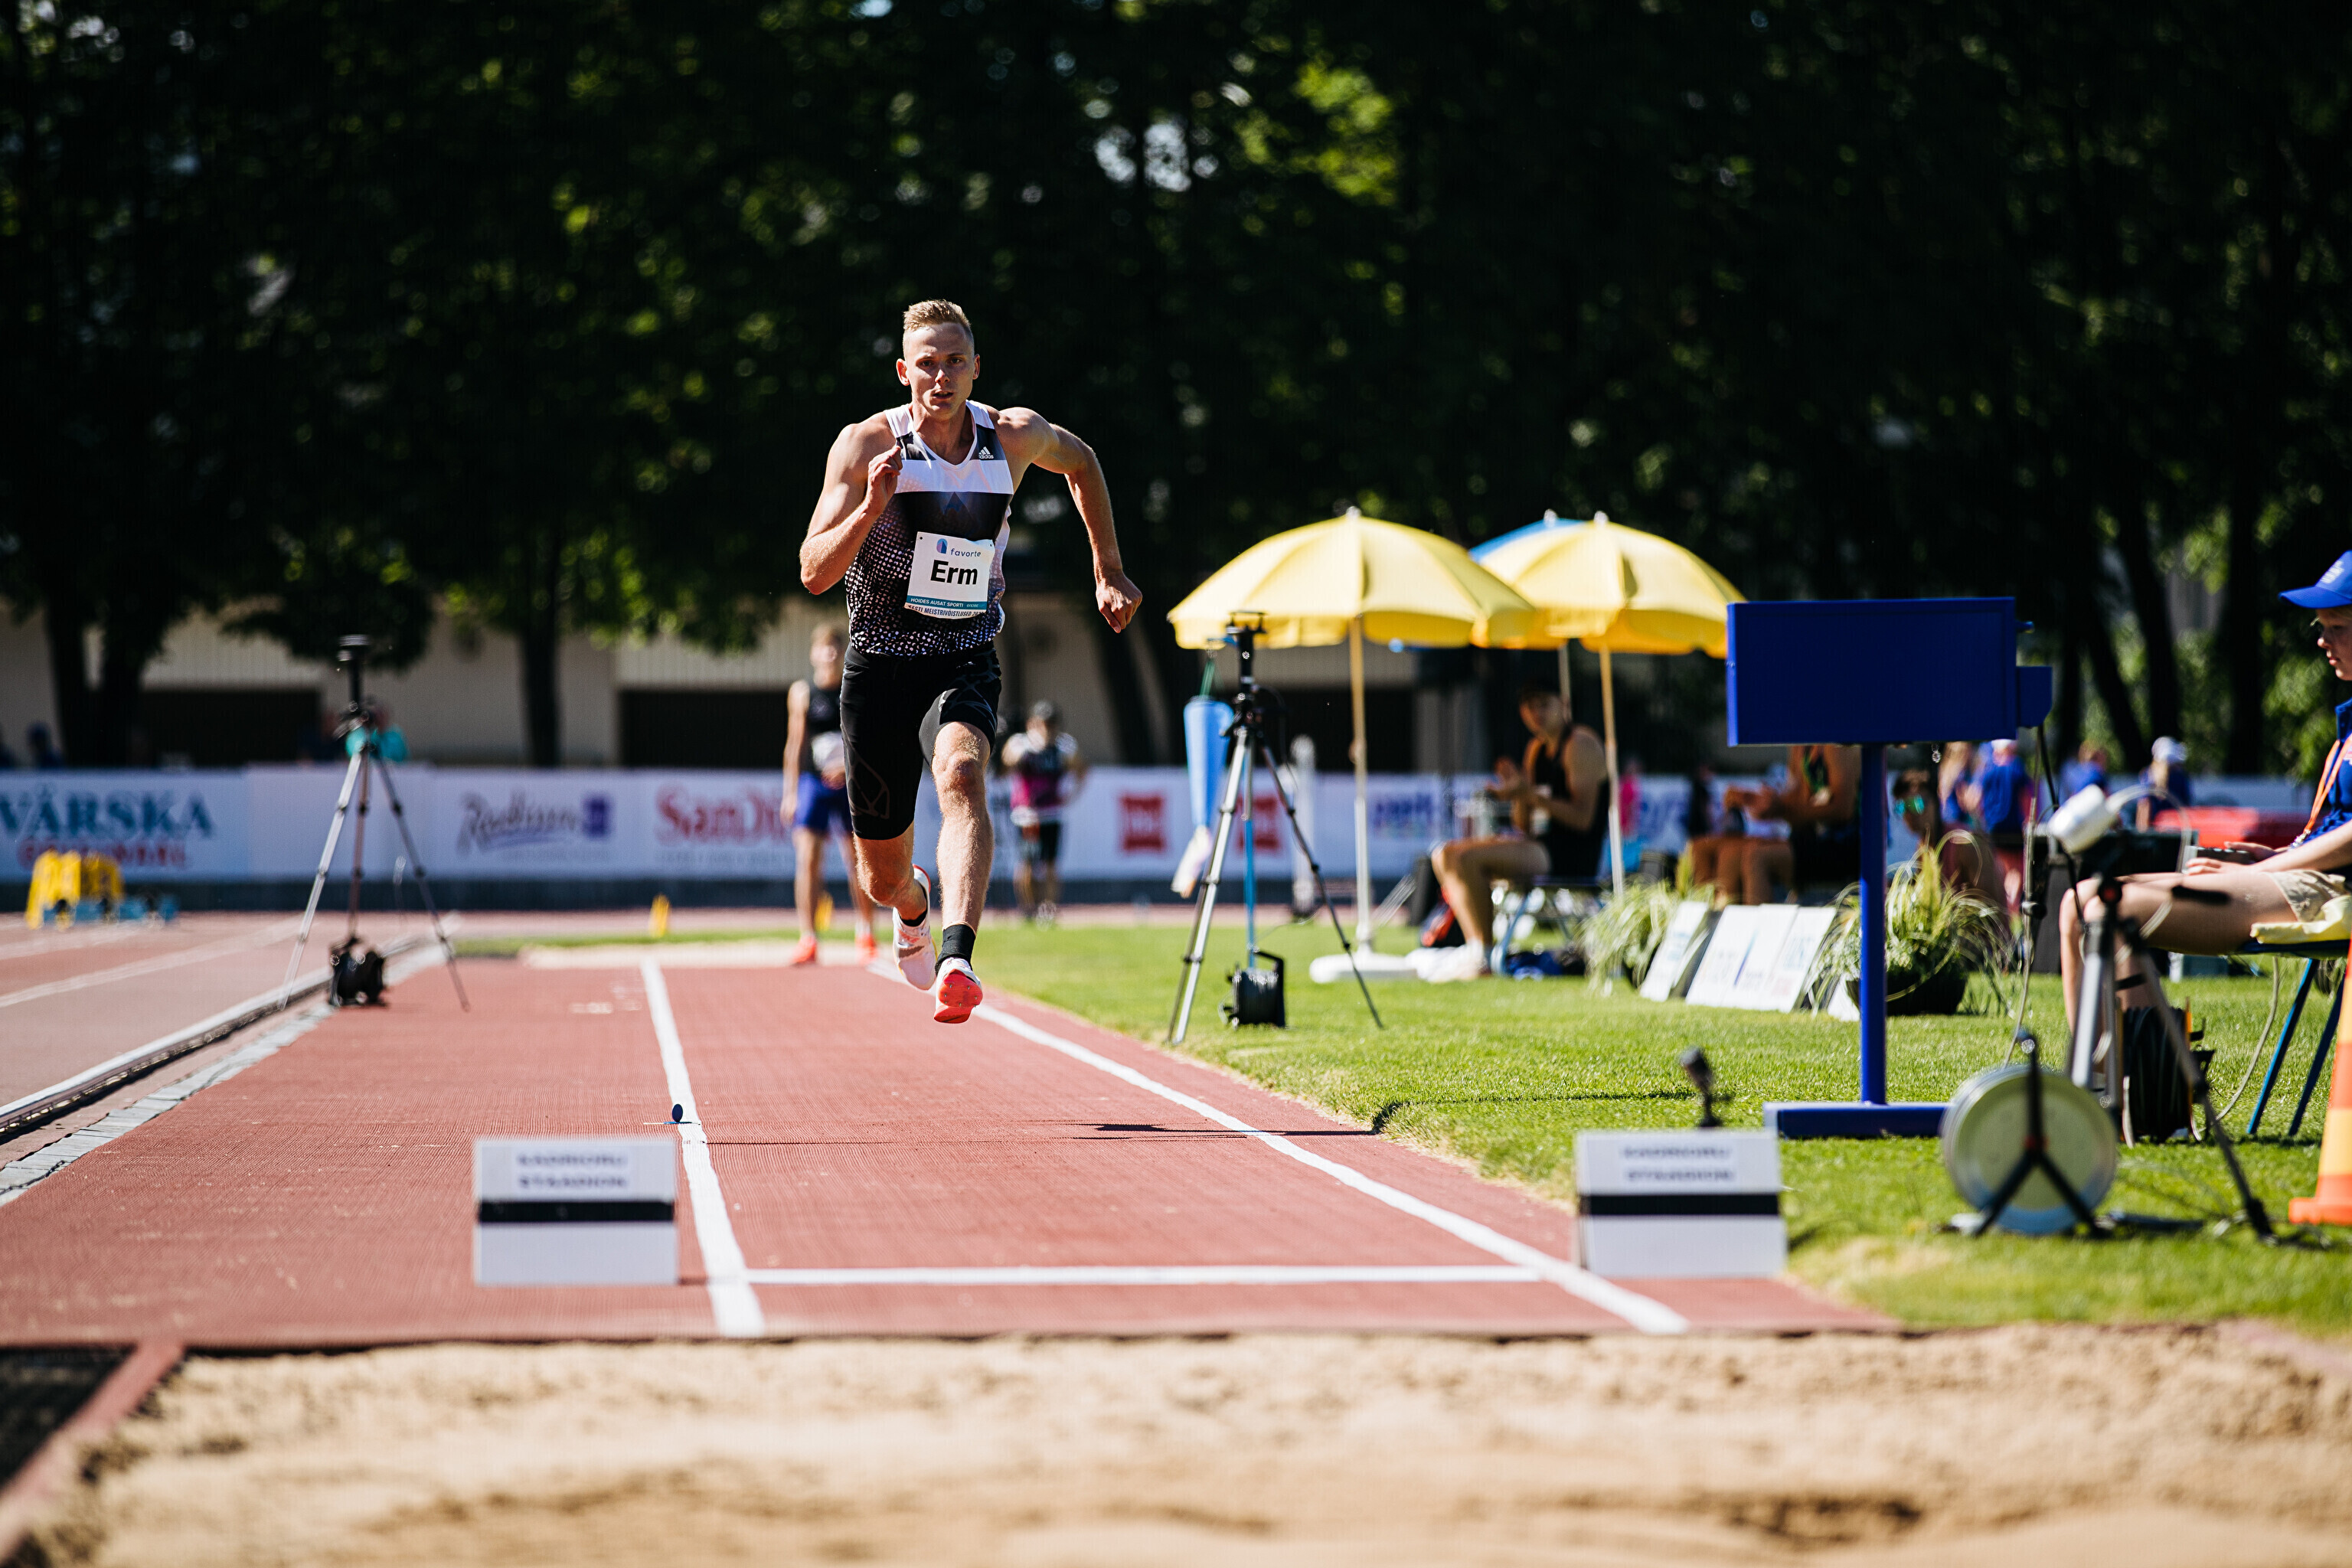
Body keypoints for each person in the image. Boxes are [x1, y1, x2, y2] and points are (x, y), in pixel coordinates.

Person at [799, 299, 1141, 1023]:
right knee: (880, 879)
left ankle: (958, 957)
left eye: (955, 361)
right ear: (903, 372)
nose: (942, 376)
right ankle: (914, 906)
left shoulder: (1012, 435)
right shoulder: (865, 446)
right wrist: (870, 507)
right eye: (927, 363)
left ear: (976, 367)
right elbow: (814, 572)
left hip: (965, 652)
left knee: (961, 774)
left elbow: (1083, 463)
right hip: (880, 664)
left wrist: (1107, 568)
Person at [2060, 553, 2352, 1026]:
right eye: (2320, 627)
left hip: (2329, 889)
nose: (2322, 640)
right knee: (2077, 903)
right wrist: (2273, 856)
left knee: (2110, 913)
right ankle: (2092, 1072)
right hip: (2305, 876)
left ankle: (2158, 1069)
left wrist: (2268, 867)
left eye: (2336, 627)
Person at [1426, 681, 1608, 980]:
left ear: (1563, 704)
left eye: (1544, 704)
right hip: (1540, 846)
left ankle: (1483, 956)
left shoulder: (1580, 744)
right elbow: (1523, 824)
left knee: (1466, 859)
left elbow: (1583, 820)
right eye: (1530, 706)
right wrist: (1517, 794)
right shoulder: (1536, 749)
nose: (1537, 714)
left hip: (1571, 854)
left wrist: (1530, 795)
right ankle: (1477, 949)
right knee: (1444, 855)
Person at [782, 623, 878, 965]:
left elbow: (868, 739)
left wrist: (849, 769)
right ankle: (808, 937)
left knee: (858, 860)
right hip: (814, 783)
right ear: (813, 654)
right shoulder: (802, 693)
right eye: (824, 647)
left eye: (836, 647)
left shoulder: (855, 687)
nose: (831, 653)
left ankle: (865, 931)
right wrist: (790, 793)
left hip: (851, 784)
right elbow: (795, 744)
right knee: (808, 858)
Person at [1689, 745, 1861, 903]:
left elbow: (1843, 810)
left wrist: (1778, 809)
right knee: (1712, 850)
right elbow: (1799, 800)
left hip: (1845, 847)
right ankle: (1715, 920)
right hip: (1811, 840)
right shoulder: (1802, 743)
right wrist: (1755, 800)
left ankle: (1756, 926)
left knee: (1756, 856)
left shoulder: (1835, 743)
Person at [1001, 699, 1086, 925]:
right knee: (1027, 863)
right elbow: (1006, 764)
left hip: (1052, 813)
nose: (1046, 730)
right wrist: (1028, 748)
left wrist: (1071, 796)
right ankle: (1027, 909)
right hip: (1026, 815)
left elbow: (1081, 770)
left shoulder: (1064, 747)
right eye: (1042, 724)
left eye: (1051, 725)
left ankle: (1048, 909)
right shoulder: (1021, 744)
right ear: (1032, 724)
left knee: (1050, 864)